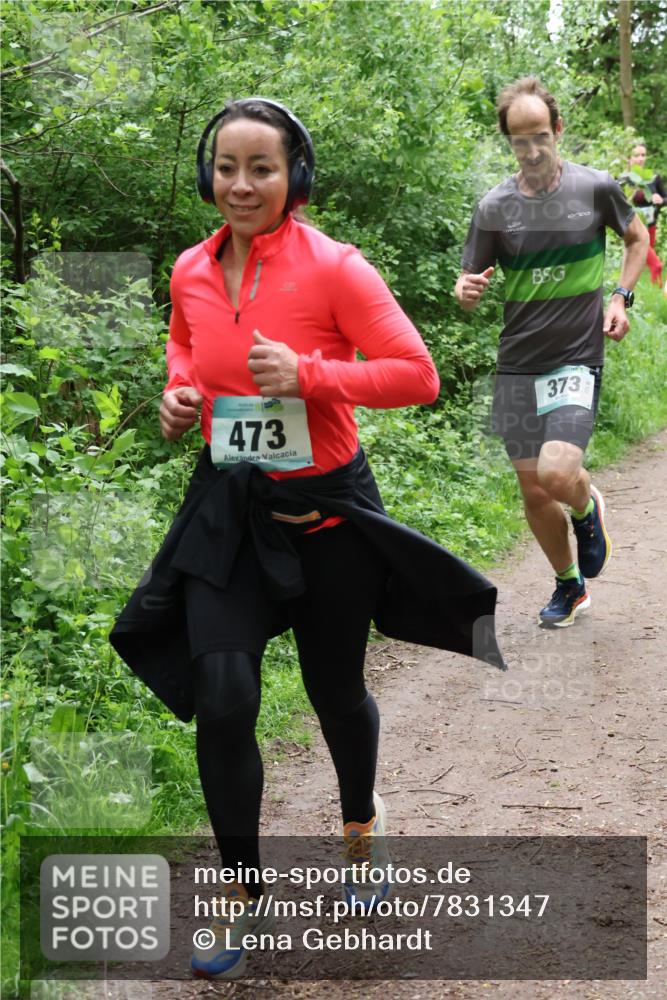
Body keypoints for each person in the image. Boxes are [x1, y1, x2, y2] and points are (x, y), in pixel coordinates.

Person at [109, 97, 505, 981]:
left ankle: (360, 828)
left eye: (262, 168)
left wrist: (311, 374)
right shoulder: (190, 269)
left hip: (327, 518)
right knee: (222, 693)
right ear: (207, 173)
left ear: (296, 177)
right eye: (226, 166)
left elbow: (416, 376)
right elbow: (185, 348)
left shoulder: (335, 269)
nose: (241, 184)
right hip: (231, 513)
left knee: (334, 690)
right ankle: (241, 892)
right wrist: (179, 396)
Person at [455, 77, 648, 628]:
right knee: (533, 490)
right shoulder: (494, 207)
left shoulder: (595, 188)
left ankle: (587, 508)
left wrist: (620, 297)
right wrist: (465, 290)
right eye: (520, 140)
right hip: (518, 362)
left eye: (540, 135)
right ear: (509, 141)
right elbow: (468, 280)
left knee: (558, 472)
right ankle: (570, 585)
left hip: (576, 356)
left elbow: (638, 239)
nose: (532, 150)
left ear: (558, 129)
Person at [624, 142, 665, 285]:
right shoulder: (625, 179)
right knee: (653, 262)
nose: (641, 159)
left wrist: (660, 199)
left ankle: (653, 284)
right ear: (629, 157)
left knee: (645, 256)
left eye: (643, 155)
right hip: (635, 225)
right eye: (636, 155)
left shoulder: (653, 177)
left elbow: (665, 198)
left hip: (651, 223)